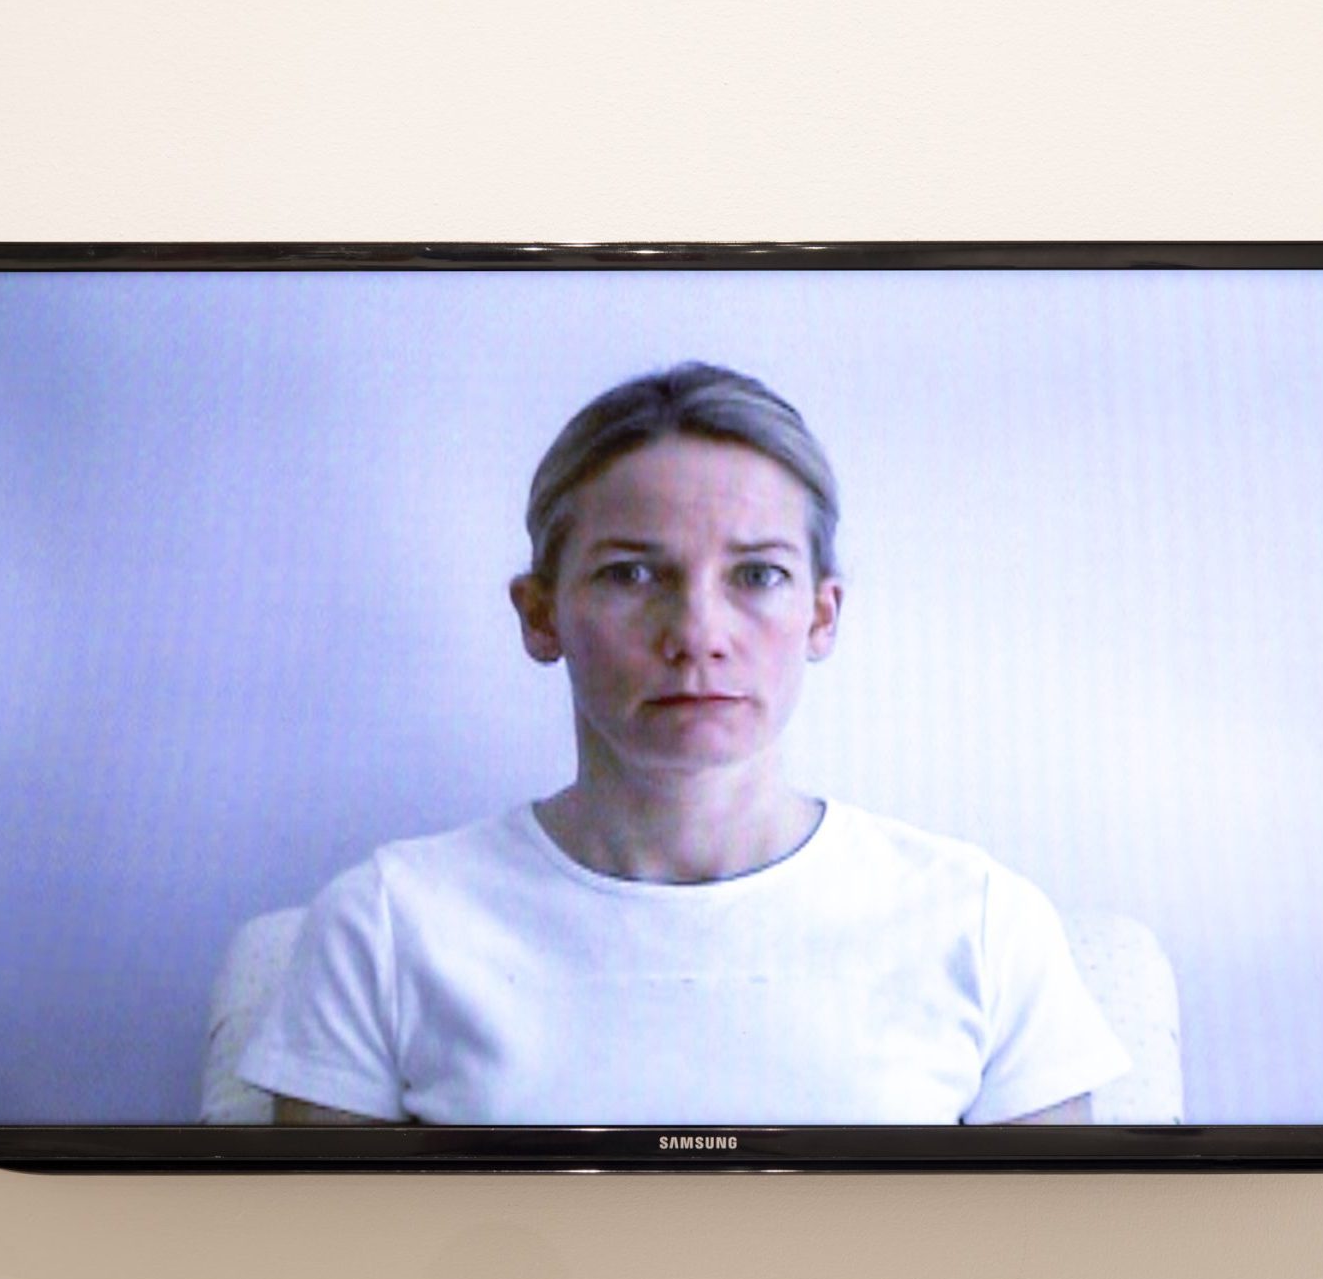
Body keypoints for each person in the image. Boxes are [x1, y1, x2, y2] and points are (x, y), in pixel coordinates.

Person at [235, 362, 1130, 1125]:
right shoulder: (387, 922)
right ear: (540, 615)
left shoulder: (978, 921)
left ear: (822, 615)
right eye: (632, 573)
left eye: (757, 575)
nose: (698, 632)